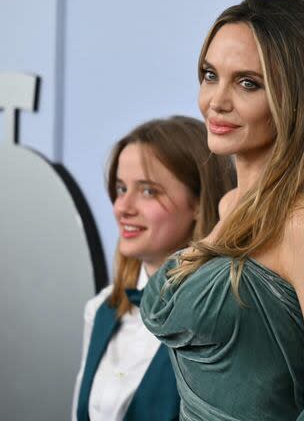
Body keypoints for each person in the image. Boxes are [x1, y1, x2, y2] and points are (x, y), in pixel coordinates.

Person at [140, 0, 304, 419]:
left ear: (293, 97)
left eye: (247, 83)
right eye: (209, 75)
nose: (216, 101)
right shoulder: (230, 205)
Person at [72, 116, 234, 421]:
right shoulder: (100, 310)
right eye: (120, 189)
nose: (122, 207)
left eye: (148, 191)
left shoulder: (225, 319)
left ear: (199, 203)